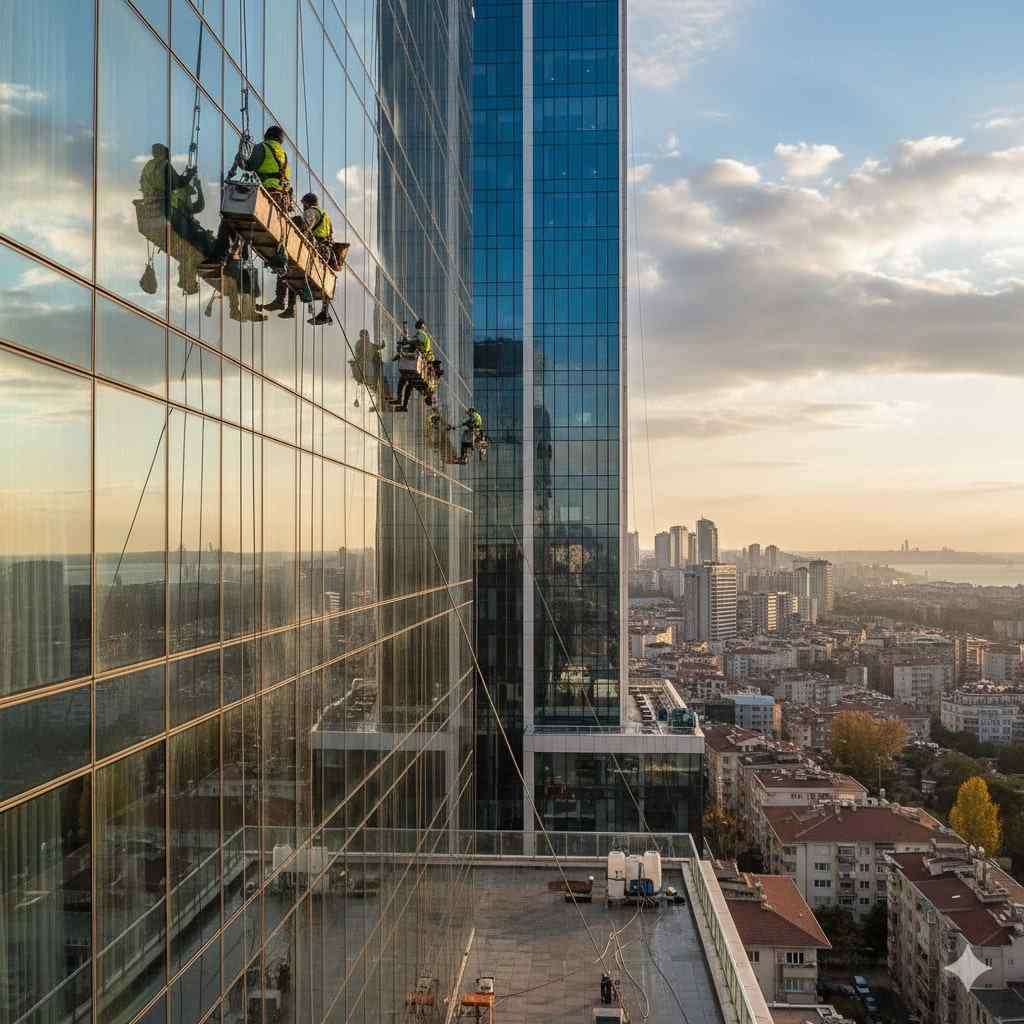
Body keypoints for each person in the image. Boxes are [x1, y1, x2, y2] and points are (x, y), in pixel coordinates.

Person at [256, 192, 333, 320]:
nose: (303, 206)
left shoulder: (312, 212)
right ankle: (290, 307)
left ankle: (280, 300)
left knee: (283, 267)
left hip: (314, 249)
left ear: (307, 203)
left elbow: (304, 226)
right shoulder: (326, 217)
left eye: (303, 204)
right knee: (293, 274)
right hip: (322, 251)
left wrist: (290, 232)